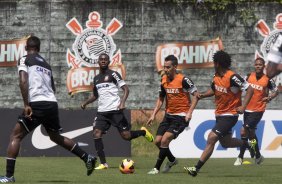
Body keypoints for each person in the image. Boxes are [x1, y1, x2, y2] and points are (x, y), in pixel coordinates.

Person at [0, 36, 96, 183]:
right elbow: (53, 88)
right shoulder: (46, 65)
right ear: (38, 49)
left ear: (26, 48)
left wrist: (27, 104)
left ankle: (9, 176)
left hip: (37, 104)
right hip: (51, 103)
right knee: (55, 137)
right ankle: (86, 157)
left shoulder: (24, 59)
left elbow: (23, 81)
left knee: (15, 136)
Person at [184, 50, 256, 177]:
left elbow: (250, 89)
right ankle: (247, 144)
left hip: (230, 115)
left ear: (218, 63)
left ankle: (196, 169)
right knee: (226, 143)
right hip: (219, 114)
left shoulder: (233, 77)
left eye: (214, 62)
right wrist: (202, 95)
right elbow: (213, 90)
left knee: (211, 138)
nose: (213, 64)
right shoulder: (216, 76)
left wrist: (243, 106)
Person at [81, 53, 154, 170]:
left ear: (108, 61)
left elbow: (126, 89)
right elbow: (95, 96)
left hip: (115, 110)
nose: (103, 61)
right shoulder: (96, 79)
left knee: (126, 136)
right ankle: (103, 163)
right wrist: (85, 103)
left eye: (105, 59)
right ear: (98, 62)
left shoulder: (113, 74)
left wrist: (122, 102)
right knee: (96, 133)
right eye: (101, 59)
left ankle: (143, 132)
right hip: (102, 113)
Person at [146, 55, 199, 174]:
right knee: (157, 142)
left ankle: (156, 168)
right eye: (164, 67)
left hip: (181, 117)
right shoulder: (163, 80)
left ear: (175, 67)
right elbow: (161, 98)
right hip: (168, 115)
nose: (165, 69)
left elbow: (196, 95)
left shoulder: (184, 80)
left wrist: (189, 113)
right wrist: (153, 114)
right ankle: (172, 160)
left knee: (165, 141)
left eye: (168, 67)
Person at [234, 57, 278, 166]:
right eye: (256, 64)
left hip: (258, 110)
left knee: (244, 130)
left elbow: (276, 91)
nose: (258, 66)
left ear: (264, 66)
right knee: (251, 134)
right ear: (254, 65)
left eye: (260, 64)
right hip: (247, 109)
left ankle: (240, 157)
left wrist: (270, 97)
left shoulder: (267, 79)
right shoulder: (248, 77)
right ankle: (258, 156)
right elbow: (240, 87)